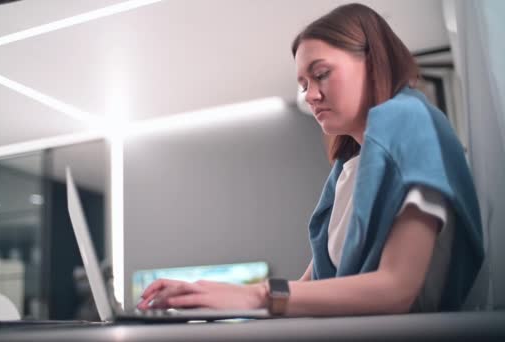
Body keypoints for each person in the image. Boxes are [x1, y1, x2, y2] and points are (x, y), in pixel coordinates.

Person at [137, 3, 484, 316]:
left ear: (374, 61)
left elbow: (397, 288)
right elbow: (313, 287)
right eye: (304, 84)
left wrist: (256, 297)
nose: (311, 96)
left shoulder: (408, 118)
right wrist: (210, 293)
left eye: (321, 75)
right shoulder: (349, 171)